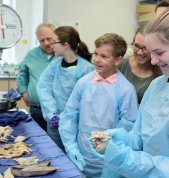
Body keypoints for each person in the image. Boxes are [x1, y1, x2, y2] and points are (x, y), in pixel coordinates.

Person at [91, 7, 169, 178]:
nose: (152, 60)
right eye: (151, 52)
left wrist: (127, 160)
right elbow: (140, 138)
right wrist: (119, 141)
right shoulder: (157, 85)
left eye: (159, 52)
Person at [59, 33, 138, 178]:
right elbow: (69, 116)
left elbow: (127, 128)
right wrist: (71, 146)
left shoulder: (126, 90)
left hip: (109, 158)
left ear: (118, 60)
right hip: (81, 152)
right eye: (95, 54)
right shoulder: (83, 83)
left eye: (104, 56)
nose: (97, 60)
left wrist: (112, 156)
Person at [36, 26, 94, 152]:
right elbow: (43, 87)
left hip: (77, 125)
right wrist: (52, 114)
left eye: (54, 42)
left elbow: (88, 101)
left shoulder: (87, 69)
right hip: (55, 124)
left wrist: (68, 117)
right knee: (55, 157)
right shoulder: (54, 66)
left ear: (66, 44)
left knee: (74, 159)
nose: (51, 46)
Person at [17, 23, 58, 132]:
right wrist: (23, 92)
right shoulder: (32, 54)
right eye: (42, 40)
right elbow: (22, 74)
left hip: (57, 111)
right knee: (37, 141)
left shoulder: (61, 54)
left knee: (55, 145)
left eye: (49, 39)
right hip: (36, 109)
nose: (46, 43)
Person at [119, 25, 161, 104]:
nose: (140, 52)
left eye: (145, 48)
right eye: (136, 46)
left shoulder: (160, 74)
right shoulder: (121, 64)